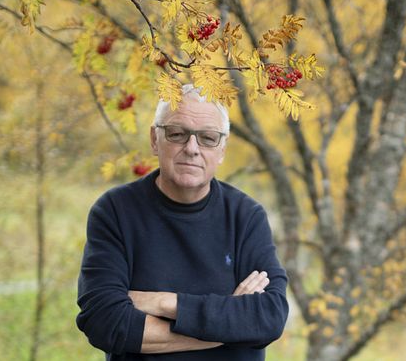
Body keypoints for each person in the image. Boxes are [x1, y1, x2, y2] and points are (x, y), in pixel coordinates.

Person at [76, 84, 289, 360]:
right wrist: (228, 327)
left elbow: (269, 317)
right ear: (155, 139)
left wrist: (163, 302)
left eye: (208, 138)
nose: (192, 148)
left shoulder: (246, 217)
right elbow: (105, 323)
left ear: (222, 149)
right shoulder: (115, 211)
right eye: (177, 134)